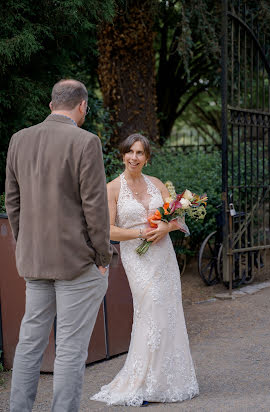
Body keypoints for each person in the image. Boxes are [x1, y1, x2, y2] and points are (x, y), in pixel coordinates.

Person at [5, 79, 113, 412]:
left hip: (35, 261)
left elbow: (13, 202)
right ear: (82, 106)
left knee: (29, 344)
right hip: (76, 262)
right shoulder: (86, 141)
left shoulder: (19, 140)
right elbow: (95, 206)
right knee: (69, 349)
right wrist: (103, 256)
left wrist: (25, 245)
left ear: (52, 105)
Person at [91, 134, 199, 407]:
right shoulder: (113, 188)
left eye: (140, 153)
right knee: (149, 309)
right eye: (130, 152)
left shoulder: (157, 184)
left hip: (163, 256)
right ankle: (141, 380)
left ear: (147, 157)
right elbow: (109, 229)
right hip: (137, 258)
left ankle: (169, 380)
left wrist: (166, 226)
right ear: (123, 155)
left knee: (167, 311)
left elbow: (179, 217)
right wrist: (140, 232)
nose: (134, 157)